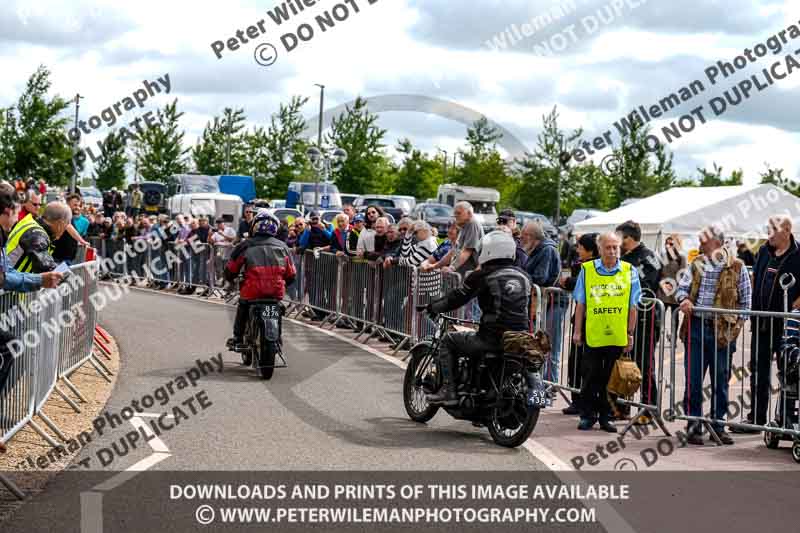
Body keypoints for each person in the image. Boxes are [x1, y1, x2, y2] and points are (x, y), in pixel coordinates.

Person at [425, 231, 532, 405]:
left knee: (448, 340)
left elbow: (457, 297)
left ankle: (449, 391)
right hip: (519, 338)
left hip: (492, 338)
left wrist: (433, 307)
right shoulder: (524, 276)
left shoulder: (483, 275)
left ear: (488, 251)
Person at [676, 226, 751, 446]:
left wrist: (734, 329)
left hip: (722, 333)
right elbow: (681, 289)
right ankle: (693, 425)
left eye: (703, 240)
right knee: (693, 380)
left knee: (720, 382)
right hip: (697, 328)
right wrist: (684, 300)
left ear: (716, 243)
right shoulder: (696, 263)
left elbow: (746, 304)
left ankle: (718, 426)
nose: (699, 243)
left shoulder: (737, 266)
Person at [733, 216, 800, 434]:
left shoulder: (798, 255)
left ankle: (785, 420)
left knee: (788, 373)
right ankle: (757, 419)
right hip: (762, 324)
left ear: (787, 230)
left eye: (773, 229)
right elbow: (756, 278)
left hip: (787, 327)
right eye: (767, 228)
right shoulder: (763, 252)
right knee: (759, 373)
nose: (768, 233)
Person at [572, 232, 641, 432]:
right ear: (600, 249)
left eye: (615, 247)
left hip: (617, 334)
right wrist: (577, 331)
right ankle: (587, 415)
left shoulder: (629, 271)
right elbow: (580, 303)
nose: (612, 251)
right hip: (594, 333)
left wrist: (630, 334)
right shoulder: (588, 270)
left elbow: (632, 306)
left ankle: (606, 416)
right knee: (590, 376)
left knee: (611, 378)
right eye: (608, 247)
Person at [225, 210, 296, 349]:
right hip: (275, 291)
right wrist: (284, 283)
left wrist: (230, 279)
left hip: (252, 291)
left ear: (254, 226)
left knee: (243, 306)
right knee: (277, 308)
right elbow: (292, 274)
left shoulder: (245, 245)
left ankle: (238, 338)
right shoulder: (283, 246)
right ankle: (277, 339)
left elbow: (231, 268)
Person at [616, 220, 663, 424]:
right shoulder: (624, 257)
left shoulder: (649, 258)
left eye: (620, 238)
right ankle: (622, 406)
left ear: (629, 237)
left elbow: (645, 288)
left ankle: (649, 408)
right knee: (624, 363)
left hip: (646, 319)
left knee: (644, 365)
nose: (618, 243)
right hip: (625, 319)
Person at [559, 233, 599, 415]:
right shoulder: (579, 265)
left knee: (587, 364)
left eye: (580, 247)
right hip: (580, 319)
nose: (577, 250)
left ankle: (587, 402)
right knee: (575, 361)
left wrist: (569, 281)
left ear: (590, 250)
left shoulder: (597, 267)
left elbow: (586, 284)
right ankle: (576, 399)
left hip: (594, 320)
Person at [522, 220, 564, 386]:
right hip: (544, 302)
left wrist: (521, 277)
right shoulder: (537, 249)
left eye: (524, 236)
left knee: (549, 345)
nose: (521, 240)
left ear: (531, 236)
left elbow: (541, 277)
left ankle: (549, 385)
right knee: (540, 345)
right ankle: (541, 383)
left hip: (553, 303)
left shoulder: (546, 250)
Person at [5, 201, 72, 273]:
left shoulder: (31, 223)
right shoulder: (37, 235)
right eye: (66, 225)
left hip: (9, 276)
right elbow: (47, 267)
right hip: (9, 280)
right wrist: (71, 276)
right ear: (60, 224)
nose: (65, 230)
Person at [209, 218, 237, 288]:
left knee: (227, 269)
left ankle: (228, 285)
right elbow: (211, 241)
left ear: (224, 223)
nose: (218, 225)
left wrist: (223, 235)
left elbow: (234, 239)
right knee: (219, 269)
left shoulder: (230, 230)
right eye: (217, 224)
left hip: (228, 253)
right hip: (219, 253)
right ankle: (221, 284)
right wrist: (209, 235)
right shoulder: (216, 231)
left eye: (220, 223)